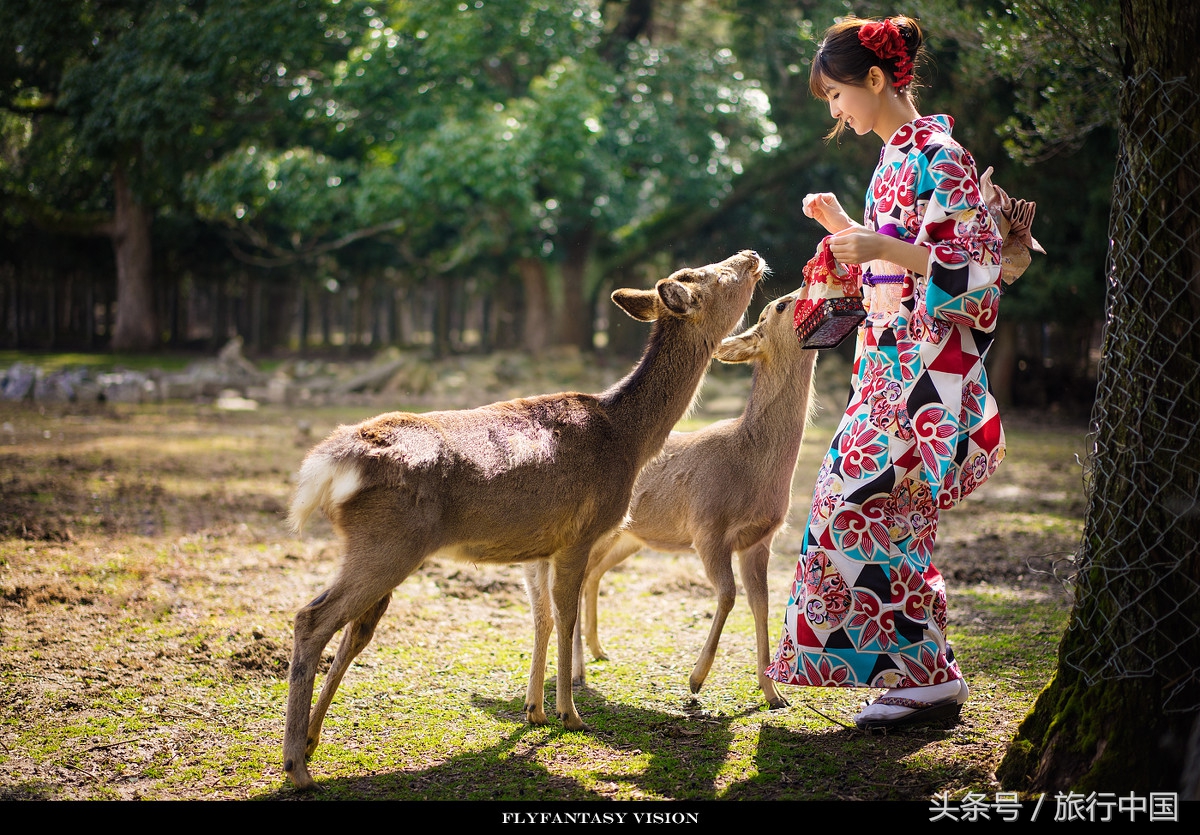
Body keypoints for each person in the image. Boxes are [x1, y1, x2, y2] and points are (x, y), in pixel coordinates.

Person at [765, 15, 1006, 730]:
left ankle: (930, 678)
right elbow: (891, 264)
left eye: (837, 94)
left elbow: (979, 270)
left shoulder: (942, 154)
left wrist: (879, 245)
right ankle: (926, 674)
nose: (835, 111)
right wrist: (850, 228)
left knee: (876, 514)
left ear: (874, 80)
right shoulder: (893, 159)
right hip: (886, 371)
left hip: (928, 377)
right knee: (863, 516)